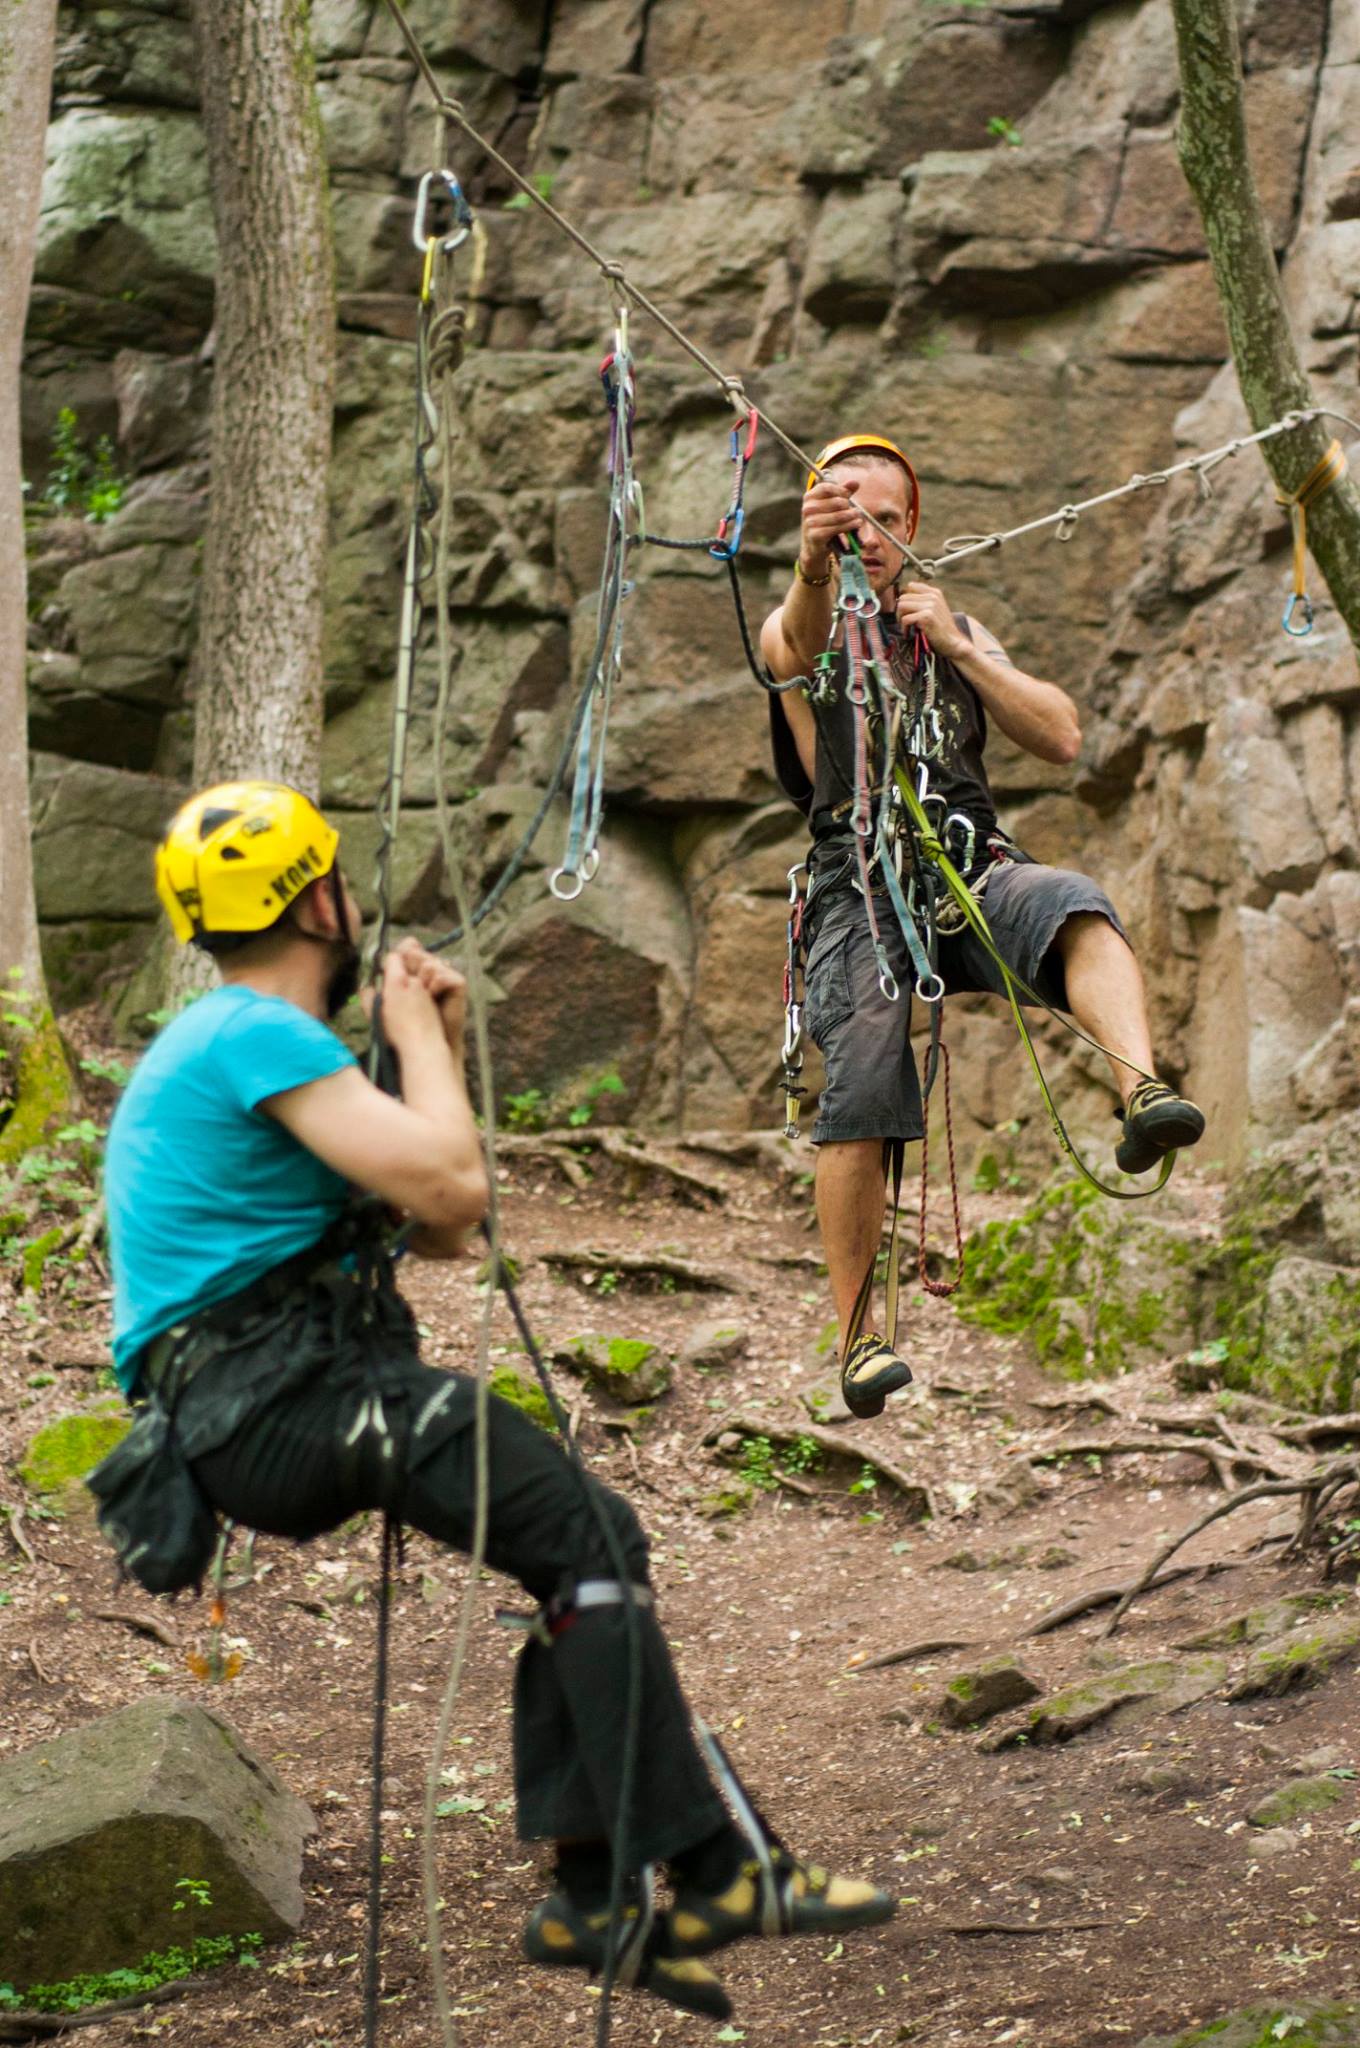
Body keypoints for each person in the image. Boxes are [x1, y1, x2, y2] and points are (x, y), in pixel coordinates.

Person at [99, 778, 895, 2023]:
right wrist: (415, 1036)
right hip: (283, 1399)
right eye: (342, 884)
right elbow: (463, 1197)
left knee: (583, 1543)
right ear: (321, 897)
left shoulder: (238, 1045)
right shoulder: (257, 1035)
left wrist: (437, 1049)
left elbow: (433, 1235)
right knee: (586, 1535)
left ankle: (611, 1885)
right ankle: (698, 1871)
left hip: (276, 1402)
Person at [760, 435, 1205, 1423]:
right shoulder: (801, 621)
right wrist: (808, 563)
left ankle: (1141, 1091)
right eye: (840, 513)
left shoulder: (953, 625)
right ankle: (859, 1335)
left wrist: (959, 645)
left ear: (909, 526)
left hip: (967, 867)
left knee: (1074, 904)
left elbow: (1059, 731)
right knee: (865, 1082)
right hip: (857, 885)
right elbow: (791, 645)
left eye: (876, 515)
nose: (859, 532)